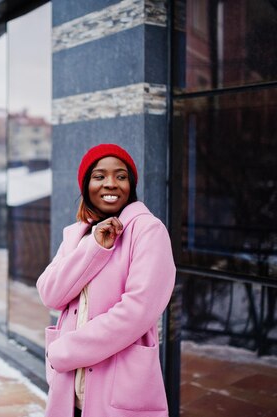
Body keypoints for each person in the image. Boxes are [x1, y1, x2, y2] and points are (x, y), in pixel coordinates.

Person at [37, 143, 176, 417]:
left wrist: (67, 350)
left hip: (117, 387)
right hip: (69, 390)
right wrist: (94, 248)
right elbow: (50, 294)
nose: (111, 184)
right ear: (86, 184)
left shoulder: (149, 230)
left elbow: (138, 310)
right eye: (99, 176)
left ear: (131, 185)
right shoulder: (77, 235)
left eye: (121, 176)